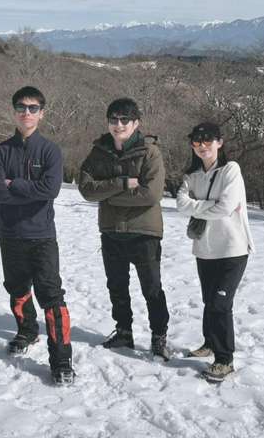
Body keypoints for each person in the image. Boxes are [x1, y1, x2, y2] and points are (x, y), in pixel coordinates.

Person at [0, 86, 74, 385]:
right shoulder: (1, 151)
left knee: (51, 295)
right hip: (10, 233)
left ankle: (61, 359)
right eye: (21, 107)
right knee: (17, 288)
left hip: (42, 235)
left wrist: (15, 184)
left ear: (41, 113)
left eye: (33, 108)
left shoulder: (50, 150)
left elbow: (51, 190)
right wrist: (29, 189)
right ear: (14, 111)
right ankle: (27, 331)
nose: (27, 112)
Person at [78, 98, 171, 360]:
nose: (118, 125)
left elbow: (151, 194)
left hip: (144, 231)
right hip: (111, 230)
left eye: (124, 120)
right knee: (116, 286)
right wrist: (121, 183)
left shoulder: (149, 152)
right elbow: (86, 189)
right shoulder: (99, 152)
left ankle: (159, 336)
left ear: (136, 123)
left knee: (152, 288)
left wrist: (108, 195)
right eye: (113, 119)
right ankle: (123, 331)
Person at [176, 122, 254, 382]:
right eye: (197, 141)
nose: (202, 146)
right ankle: (209, 343)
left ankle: (224, 360)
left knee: (221, 303)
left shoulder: (231, 170)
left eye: (208, 140)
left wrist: (198, 205)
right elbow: (181, 204)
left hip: (232, 249)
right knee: (209, 301)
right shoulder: (192, 176)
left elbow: (226, 207)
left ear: (220, 142)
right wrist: (210, 205)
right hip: (205, 249)